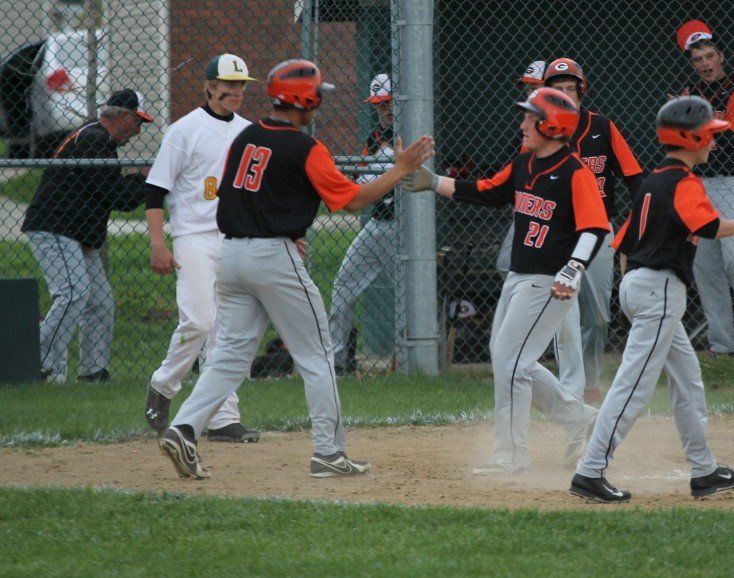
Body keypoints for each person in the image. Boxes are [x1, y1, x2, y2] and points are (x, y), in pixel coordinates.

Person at [157, 59, 434, 479]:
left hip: (230, 256)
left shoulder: (245, 135)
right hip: (273, 258)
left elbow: (237, 197)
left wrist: (275, 223)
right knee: (317, 354)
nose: (320, 100)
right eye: (317, 94)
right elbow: (354, 201)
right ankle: (329, 452)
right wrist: (399, 171)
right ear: (302, 99)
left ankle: (184, 428)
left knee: (230, 354)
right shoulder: (306, 148)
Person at [570, 95, 734, 504]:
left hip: (643, 285)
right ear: (690, 138)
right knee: (635, 384)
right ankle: (590, 470)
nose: (713, 141)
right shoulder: (683, 183)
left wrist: (633, 293)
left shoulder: (653, 181)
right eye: (709, 135)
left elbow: (622, 243)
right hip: (658, 289)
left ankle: (704, 469)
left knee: (688, 381)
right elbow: (708, 226)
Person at [402, 87, 606, 475]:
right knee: (509, 359)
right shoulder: (524, 163)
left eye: (531, 118)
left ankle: (510, 455)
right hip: (518, 276)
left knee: (512, 361)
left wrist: (573, 268)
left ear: (552, 125)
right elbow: (488, 191)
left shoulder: (574, 171)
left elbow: (595, 227)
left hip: (550, 281)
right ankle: (579, 418)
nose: (523, 124)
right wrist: (434, 183)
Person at [143, 54, 259, 443]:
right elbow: (155, 190)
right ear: (208, 86)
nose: (235, 91)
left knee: (226, 332)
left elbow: (255, 192)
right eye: (227, 84)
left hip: (235, 238)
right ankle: (163, 383)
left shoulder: (248, 132)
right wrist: (158, 243)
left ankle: (223, 416)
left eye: (241, 85)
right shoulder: (184, 130)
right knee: (199, 321)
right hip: (193, 236)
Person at [21, 89, 153, 383]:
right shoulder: (95, 140)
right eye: (137, 122)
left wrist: (140, 181)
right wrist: (145, 179)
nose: (138, 130)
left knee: (100, 301)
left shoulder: (97, 139)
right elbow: (117, 196)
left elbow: (108, 193)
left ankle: (93, 372)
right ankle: (37, 363)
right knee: (73, 292)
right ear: (122, 117)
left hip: (76, 234)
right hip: (55, 227)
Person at [543, 57, 644, 405]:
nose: (566, 95)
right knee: (564, 316)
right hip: (559, 234)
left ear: (581, 91)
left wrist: (634, 228)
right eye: (558, 90)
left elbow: (635, 178)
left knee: (598, 316)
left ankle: (591, 381)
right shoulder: (539, 131)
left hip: (599, 230)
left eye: (571, 88)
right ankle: (574, 392)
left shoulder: (602, 127)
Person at [674, 20, 734, 361]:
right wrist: (704, 137)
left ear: (721, 56)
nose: (705, 63)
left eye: (710, 56)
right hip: (698, 184)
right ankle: (723, 343)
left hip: (731, 183)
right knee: (705, 264)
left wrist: (695, 132)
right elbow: (680, 141)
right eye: (698, 59)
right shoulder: (691, 92)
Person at [329, 73, 398, 374]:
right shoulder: (374, 137)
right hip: (376, 225)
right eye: (380, 104)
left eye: (390, 103)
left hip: (403, 229)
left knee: (409, 293)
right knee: (343, 284)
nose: (386, 109)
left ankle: (410, 359)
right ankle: (335, 362)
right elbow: (358, 180)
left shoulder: (407, 132)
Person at [496, 61, 546, 277]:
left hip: (549, 210)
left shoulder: (565, 126)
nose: (529, 93)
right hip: (527, 208)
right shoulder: (526, 128)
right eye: (528, 88)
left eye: (535, 87)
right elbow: (505, 165)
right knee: (506, 266)